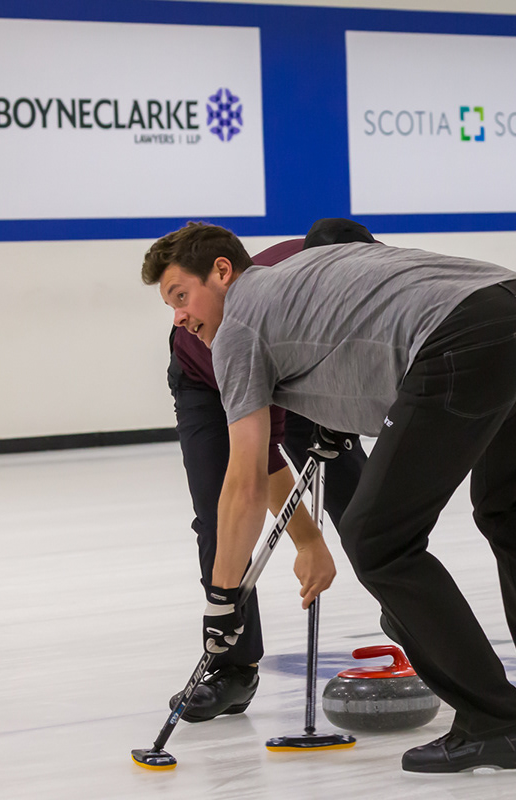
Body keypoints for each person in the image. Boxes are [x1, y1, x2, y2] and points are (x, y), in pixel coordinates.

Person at [141, 222, 516, 773]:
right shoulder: (304, 271)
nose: (178, 317)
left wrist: (222, 602)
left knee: (377, 540)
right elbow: (364, 317)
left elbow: (245, 479)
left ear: (222, 272)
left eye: (181, 296)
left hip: (464, 339)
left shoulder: (238, 327)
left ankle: (496, 723)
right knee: (507, 508)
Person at [164, 219, 371, 721]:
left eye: (178, 299)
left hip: (305, 369)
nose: (176, 316)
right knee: (221, 513)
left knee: (367, 510)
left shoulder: (376, 292)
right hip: (210, 383)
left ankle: (411, 614)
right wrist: (307, 540)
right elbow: (257, 466)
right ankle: (232, 668)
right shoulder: (257, 315)